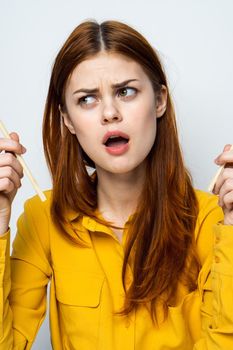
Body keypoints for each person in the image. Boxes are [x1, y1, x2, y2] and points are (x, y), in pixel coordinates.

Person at [0, 19, 233, 350]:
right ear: (67, 119)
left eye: (126, 91)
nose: (110, 112)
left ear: (159, 101)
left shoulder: (212, 221)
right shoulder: (43, 219)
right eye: (87, 99)